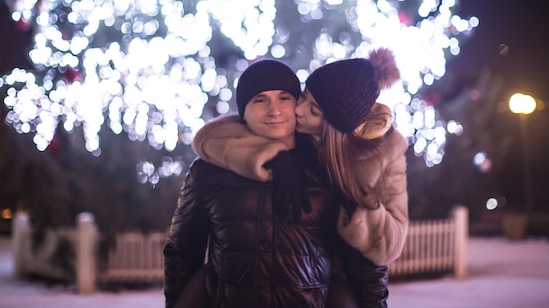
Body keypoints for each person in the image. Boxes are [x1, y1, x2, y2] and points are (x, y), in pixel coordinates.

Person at [164, 59, 388, 308]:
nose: (274, 110)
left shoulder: (330, 169)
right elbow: (181, 253)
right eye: (260, 100)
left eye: (284, 98)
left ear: (298, 105)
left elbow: (364, 264)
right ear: (243, 111)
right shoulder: (208, 172)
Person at [193, 47, 409, 267]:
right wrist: (272, 155)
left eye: (313, 111)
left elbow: (389, 247)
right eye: (303, 97)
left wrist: (357, 205)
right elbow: (215, 136)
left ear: (331, 129)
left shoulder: (385, 157)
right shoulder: (294, 131)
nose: (298, 110)